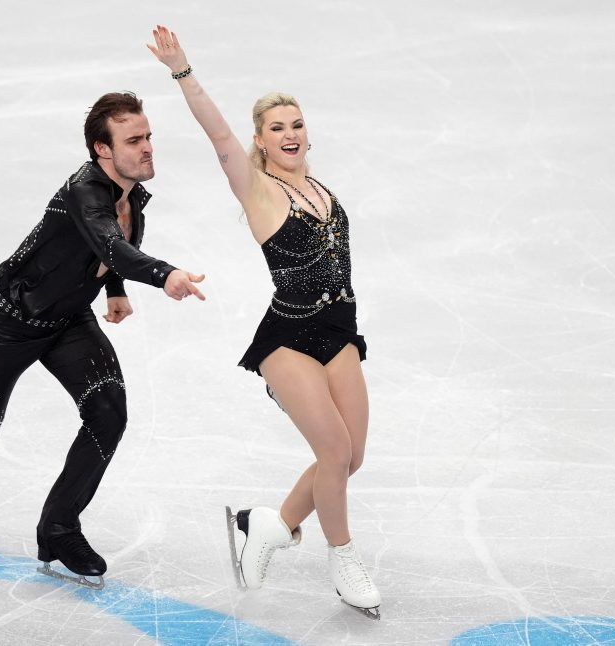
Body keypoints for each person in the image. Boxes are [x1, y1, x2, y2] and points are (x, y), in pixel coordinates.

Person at [0, 91, 206, 588]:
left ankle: (59, 528)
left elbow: (112, 247)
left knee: (108, 413)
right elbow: (109, 242)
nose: (148, 147)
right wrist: (163, 274)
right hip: (6, 320)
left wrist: (115, 289)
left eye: (148, 136)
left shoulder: (130, 195)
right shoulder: (85, 191)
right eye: (133, 140)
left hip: (67, 321)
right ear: (102, 150)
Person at [148, 26, 382, 617]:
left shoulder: (319, 188)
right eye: (276, 128)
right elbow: (217, 133)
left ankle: (270, 527)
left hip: (338, 330)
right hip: (288, 338)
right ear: (260, 140)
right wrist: (182, 71)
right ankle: (343, 560)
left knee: (349, 458)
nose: (289, 134)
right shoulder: (258, 189)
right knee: (333, 450)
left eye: (296, 124)